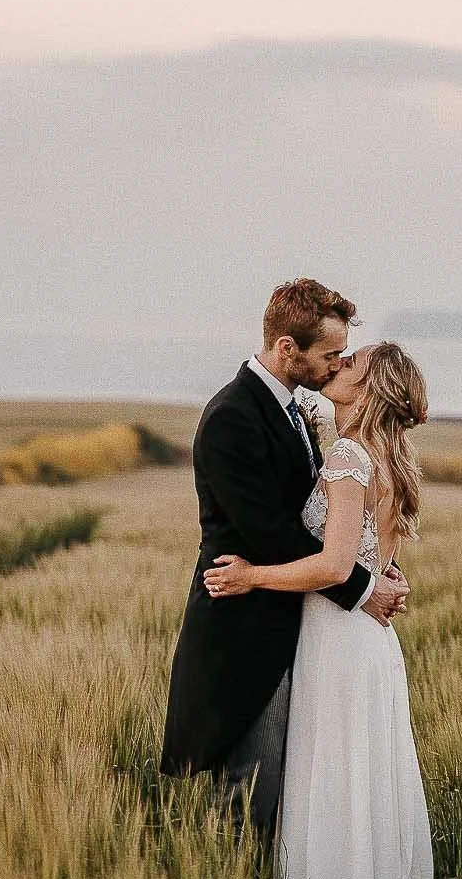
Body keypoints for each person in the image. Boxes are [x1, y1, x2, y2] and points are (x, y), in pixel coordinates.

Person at [201, 341, 435, 879]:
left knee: (332, 791)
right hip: (369, 649)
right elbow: (372, 563)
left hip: (337, 646)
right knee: (362, 792)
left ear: (369, 391)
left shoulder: (347, 456)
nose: (334, 366)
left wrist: (251, 577)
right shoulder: (385, 457)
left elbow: (335, 564)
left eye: (348, 365)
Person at [161, 279, 409, 841]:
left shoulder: (296, 410)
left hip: (298, 625)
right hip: (246, 629)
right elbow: (272, 535)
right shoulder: (233, 417)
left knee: (290, 788)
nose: (337, 364)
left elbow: (325, 521)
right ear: (287, 350)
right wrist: (363, 588)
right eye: (329, 355)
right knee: (252, 790)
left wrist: (372, 562)